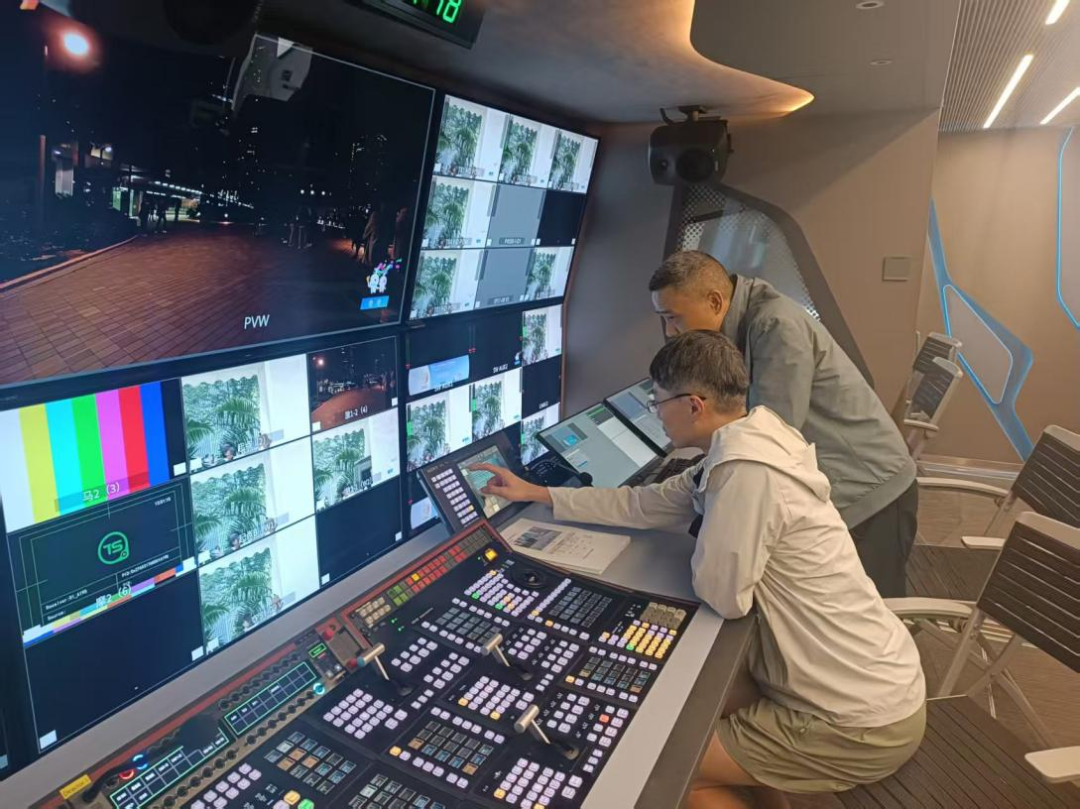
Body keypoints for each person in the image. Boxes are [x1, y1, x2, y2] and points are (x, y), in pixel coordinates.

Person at [472, 331, 926, 809]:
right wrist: (538, 493)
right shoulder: (758, 438)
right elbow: (642, 503)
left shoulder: (744, 473)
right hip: (875, 680)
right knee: (705, 708)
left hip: (856, 721)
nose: (655, 413)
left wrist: (711, 534)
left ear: (693, 405)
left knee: (668, 776)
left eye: (658, 401)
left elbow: (724, 596)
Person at [648, 251, 918, 598]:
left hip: (869, 490)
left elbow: (772, 433)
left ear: (715, 302)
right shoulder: (747, 323)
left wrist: (711, 488)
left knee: (869, 609)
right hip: (845, 480)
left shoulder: (775, 325)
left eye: (673, 318)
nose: (671, 332)